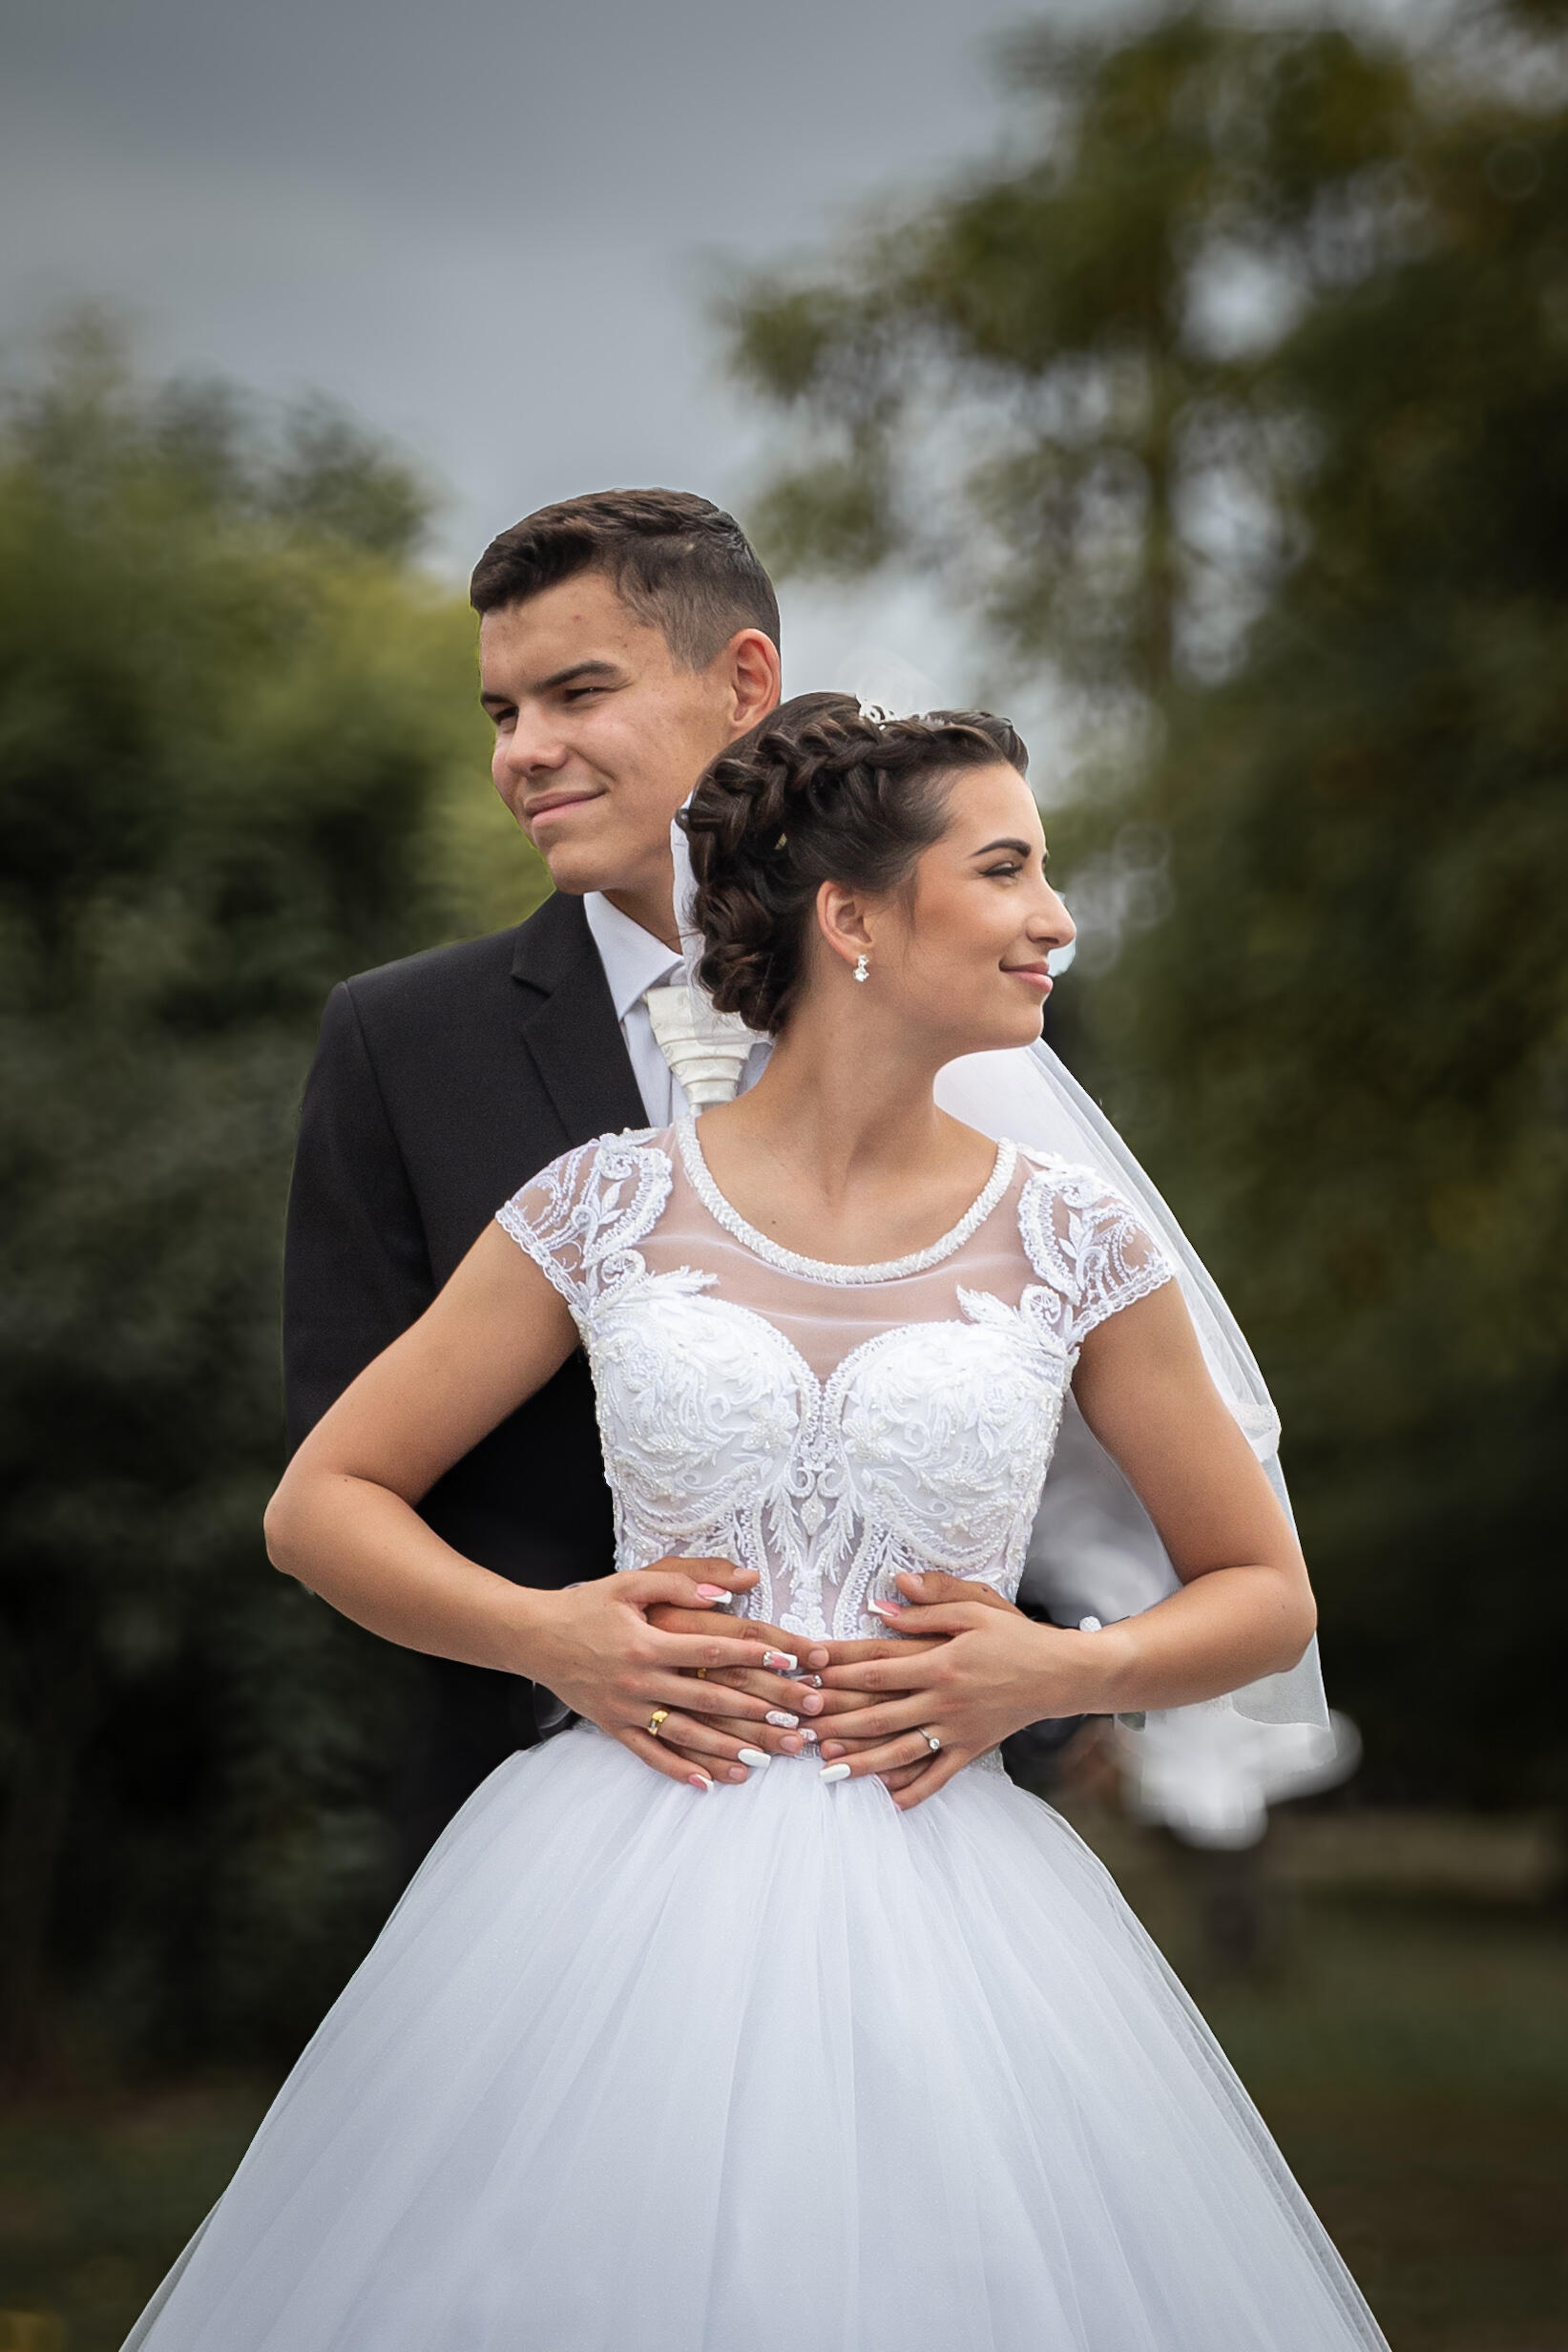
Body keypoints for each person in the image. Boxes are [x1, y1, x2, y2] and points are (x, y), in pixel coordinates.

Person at [126, 697, 1387, 2349]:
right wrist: (548, 1634)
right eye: (1005, 870)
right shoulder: (607, 1203)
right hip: (605, 1896)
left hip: (955, 1913)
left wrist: (1061, 1668)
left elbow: (1266, 1594)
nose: (1056, 917)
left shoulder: (1077, 1244)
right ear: (851, 918)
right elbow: (320, 1505)